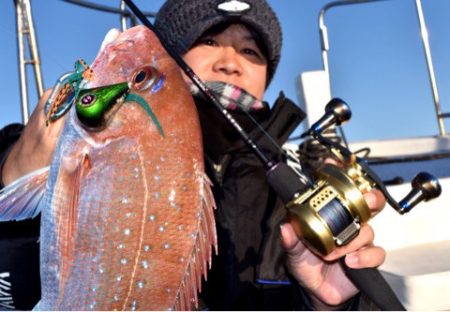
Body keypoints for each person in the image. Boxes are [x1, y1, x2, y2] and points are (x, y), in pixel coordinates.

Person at [0, 0, 386, 310]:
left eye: (251, 50)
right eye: (209, 41)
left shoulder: (293, 201)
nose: (230, 62)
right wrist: (11, 174)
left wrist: (324, 305)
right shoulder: (37, 149)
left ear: (268, 76)